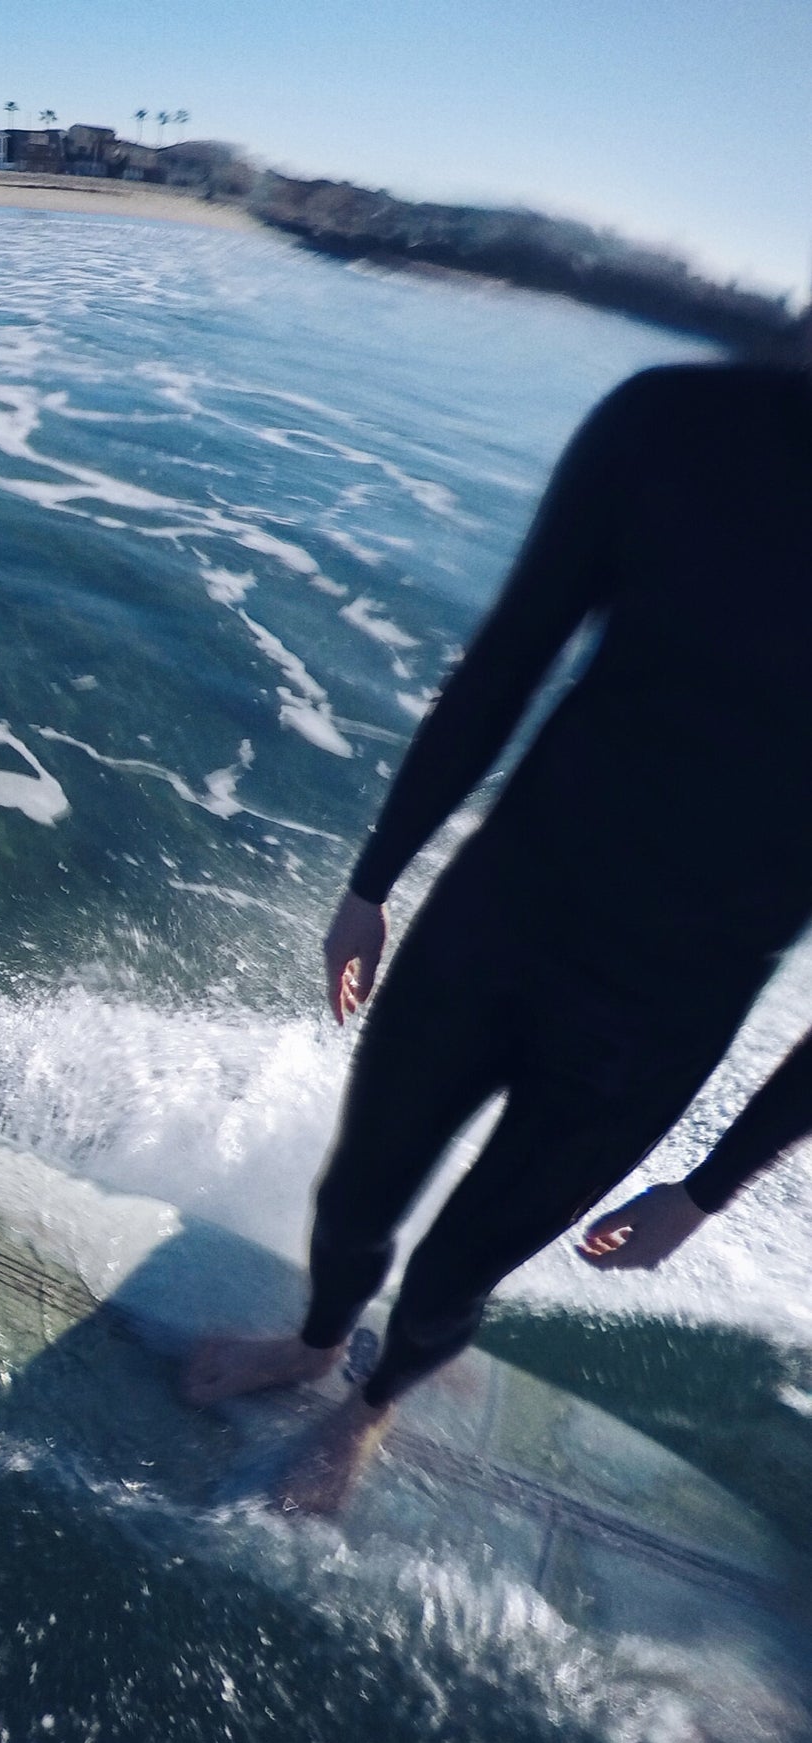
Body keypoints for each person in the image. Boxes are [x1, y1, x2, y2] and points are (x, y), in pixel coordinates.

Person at [179, 348, 812, 1514]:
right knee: (353, 1197)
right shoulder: (672, 422)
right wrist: (371, 881)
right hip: (497, 917)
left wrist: (707, 1187)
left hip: (652, 1025)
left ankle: (370, 1406)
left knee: (453, 1275)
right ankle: (314, 1344)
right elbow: (506, 659)